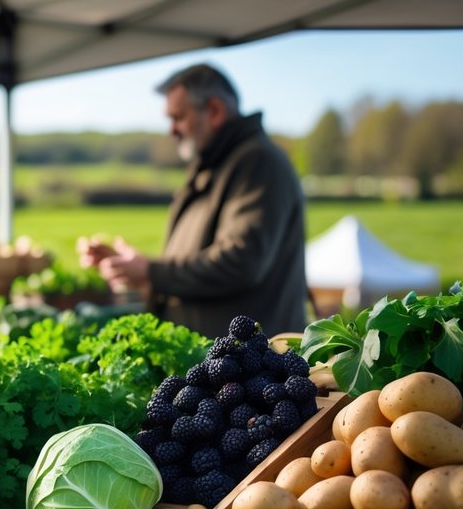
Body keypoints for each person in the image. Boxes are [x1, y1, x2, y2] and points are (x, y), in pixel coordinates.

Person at [89, 64, 308, 338]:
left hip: (250, 368)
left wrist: (151, 271)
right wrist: (138, 271)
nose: (172, 130)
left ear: (214, 111)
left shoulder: (258, 162)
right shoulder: (215, 163)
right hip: (215, 362)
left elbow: (241, 262)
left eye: (178, 117)